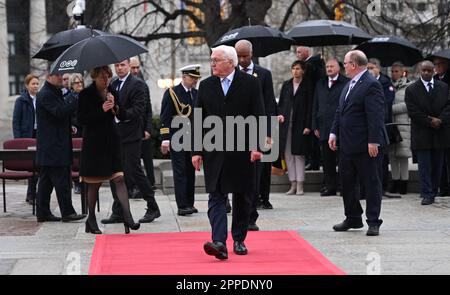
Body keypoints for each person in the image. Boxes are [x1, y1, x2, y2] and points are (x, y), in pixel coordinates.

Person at [192, 45, 264, 260]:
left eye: (216, 60)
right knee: (216, 194)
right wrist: (196, 151)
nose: (212, 63)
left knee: (242, 195)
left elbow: (259, 114)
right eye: (211, 60)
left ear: (230, 62)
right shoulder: (205, 86)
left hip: (243, 150)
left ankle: (239, 239)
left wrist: (257, 146)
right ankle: (219, 242)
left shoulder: (251, 83)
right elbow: (198, 119)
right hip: (215, 151)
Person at [329, 50, 388, 236]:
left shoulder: (371, 84)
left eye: (345, 63)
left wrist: (373, 141)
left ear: (354, 64)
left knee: (370, 183)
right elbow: (341, 111)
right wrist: (333, 132)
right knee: (347, 183)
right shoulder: (349, 85)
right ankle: (353, 217)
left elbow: (376, 116)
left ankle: (373, 221)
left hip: (366, 145)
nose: (343, 65)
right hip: (347, 144)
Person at [78, 66, 140, 234]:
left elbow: (122, 115)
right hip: (94, 145)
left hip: (112, 142)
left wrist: (115, 108)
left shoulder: (112, 91)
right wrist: (101, 110)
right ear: (94, 77)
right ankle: (91, 219)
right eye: (102, 77)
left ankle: (127, 215)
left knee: (119, 178)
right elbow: (82, 119)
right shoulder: (85, 94)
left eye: (108, 77)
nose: (106, 81)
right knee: (94, 183)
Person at [101, 59, 160, 225]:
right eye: (117, 65)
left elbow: (138, 109)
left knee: (134, 171)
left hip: (132, 134)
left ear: (129, 66)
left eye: (122, 65)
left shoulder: (137, 84)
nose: (119, 68)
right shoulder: (112, 84)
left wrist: (119, 112)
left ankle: (152, 206)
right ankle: (118, 210)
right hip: (115, 135)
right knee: (115, 173)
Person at [235, 39, 277, 232]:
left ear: (251, 54)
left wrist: (268, 132)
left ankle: (251, 216)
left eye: (245, 56)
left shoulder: (263, 74)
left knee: (253, 176)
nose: (242, 60)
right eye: (239, 56)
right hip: (233, 131)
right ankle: (238, 212)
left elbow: (269, 105)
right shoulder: (230, 73)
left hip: (256, 131)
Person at [35, 72, 85, 223]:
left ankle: (43, 212)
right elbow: (60, 112)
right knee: (62, 180)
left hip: (53, 145)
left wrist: (67, 126)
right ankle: (67, 212)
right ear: (50, 77)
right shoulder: (46, 94)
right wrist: (74, 95)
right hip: (53, 147)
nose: (62, 78)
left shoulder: (53, 92)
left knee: (46, 182)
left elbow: (57, 117)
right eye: (58, 76)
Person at [405, 61, 450, 205]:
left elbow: (448, 106)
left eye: (429, 71)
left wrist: (440, 119)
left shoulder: (443, 87)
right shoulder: (412, 89)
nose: (426, 73)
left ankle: (434, 191)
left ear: (434, 71)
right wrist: (430, 121)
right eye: (423, 70)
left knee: (438, 165)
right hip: (422, 132)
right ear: (419, 71)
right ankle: (426, 193)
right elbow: (413, 111)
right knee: (425, 165)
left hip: (440, 132)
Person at [160, 64, 200, 216]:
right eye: (192, 78)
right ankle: (182, 205)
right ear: (184, 77)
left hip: (192, 138)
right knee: (180, 171)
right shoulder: (172, 93)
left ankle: (190, 203)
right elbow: (165, 117)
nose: (195, 81)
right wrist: (165, 139)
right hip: (177, 137)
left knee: (191, 171)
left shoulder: (196, 93)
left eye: (196, 78)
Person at [312, 58, 350, 196]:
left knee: (342, 159)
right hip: (323, 126)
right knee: (327, 160)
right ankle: (330, 186)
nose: (329, 69)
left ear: (338, 68)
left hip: (341, 127)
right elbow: (315, 105)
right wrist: (314, 125)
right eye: (327, 66)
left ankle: (343, 186)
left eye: (332, 66)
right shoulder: (320, 83)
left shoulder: (346, 82)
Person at [278, 60, 312, 196]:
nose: (295, 71)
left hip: (300, 124)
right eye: (293, 68)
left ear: (303, 70)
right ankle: (292, 183)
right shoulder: (286, 85)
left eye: (298, 69)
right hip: (286, 124)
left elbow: (310, 107)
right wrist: (279, 114)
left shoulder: (308, 86)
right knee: (288, 155)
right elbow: (280, 104)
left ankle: (300, 185)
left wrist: (308, 125)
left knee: (299, 155)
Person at [126, 56, 156, 197]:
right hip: (131, 130)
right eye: (133, 68)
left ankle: (150, 183)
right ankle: (133, 187)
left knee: (147, 159)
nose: (136, 70)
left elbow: (148, 109)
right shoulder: (121, 84)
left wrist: (148, 129)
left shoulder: (142, 84)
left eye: (138, 67)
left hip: (143, 129)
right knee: (133, 161)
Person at [367, 58, 396, 197]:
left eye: (372, 68)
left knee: (382, 160)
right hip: (369, 127)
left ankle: (382, 188)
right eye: (367, 68)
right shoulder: (365, 82)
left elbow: (387, 103)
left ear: (378, 68)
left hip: (383, 126)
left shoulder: (385, 82)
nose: (370, 71)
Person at [296, 46, 326, 171]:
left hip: (312, 100)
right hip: (309, 100)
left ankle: (314, 160)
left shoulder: (311, 65)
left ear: (306, 52)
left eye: (299, 52)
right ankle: (312, 160)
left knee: (313, 134)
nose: (297, 54)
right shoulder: (310, 64)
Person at [12, 74, 40, 205]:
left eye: (37, 84)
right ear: (27, 85)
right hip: (27, 136)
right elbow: (16, 122)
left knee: (38, 165)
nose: (35, 86)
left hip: (39, 135)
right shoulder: (21, 100)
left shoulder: (40, 99)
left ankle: (33, 194)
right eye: (33, 84)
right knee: (31, 166)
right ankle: (31, 194)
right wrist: (18, 141)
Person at [388, 62, 413, 195]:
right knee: (392, 155)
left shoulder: (409, 86)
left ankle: (404, 182)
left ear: (403, 72)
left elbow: (408, 105)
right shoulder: (388, 86)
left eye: (396, 71)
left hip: (403, 125)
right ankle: (395, 180)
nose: (393, 73)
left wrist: (390, 109)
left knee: (403, 156)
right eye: (392, 71)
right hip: (391, 125)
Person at [433, 56, 450, 197]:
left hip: (446, 121)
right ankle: (443, 187)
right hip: (437, 124)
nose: (437, 67)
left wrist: (441, 117)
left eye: (440, 64)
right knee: (440, 159)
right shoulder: (434, 79)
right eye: (435, 64)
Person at [66, 73, 84, 194]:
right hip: (76, 130)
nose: (79, 84)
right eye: (76, 83)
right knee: (76, 158)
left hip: (86, 129)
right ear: (71, 85)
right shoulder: (69, 98)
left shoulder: (86, 96)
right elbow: (68, 115)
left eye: (80, 82)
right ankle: (77, 182)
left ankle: (85, 181)